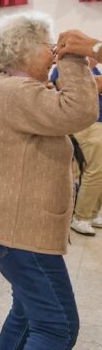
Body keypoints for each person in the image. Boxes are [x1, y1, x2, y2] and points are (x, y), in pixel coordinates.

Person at [0, 16, 98, 350]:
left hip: (13, 226)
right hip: (21, 232)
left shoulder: (8, 88)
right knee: (57, 326)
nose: (54, 54)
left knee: (27, 314)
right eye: (50, 47)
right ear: (24, 50)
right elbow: (80, 111)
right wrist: (74, 60)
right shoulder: (16, 92)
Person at [51, 58, 102, 236]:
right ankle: (82, 217)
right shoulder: (64, 68)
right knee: (96, 170)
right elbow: (66, 90)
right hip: (86, 125)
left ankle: (92, 213)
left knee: (98, 171)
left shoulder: (95, 71)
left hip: (97, 123)